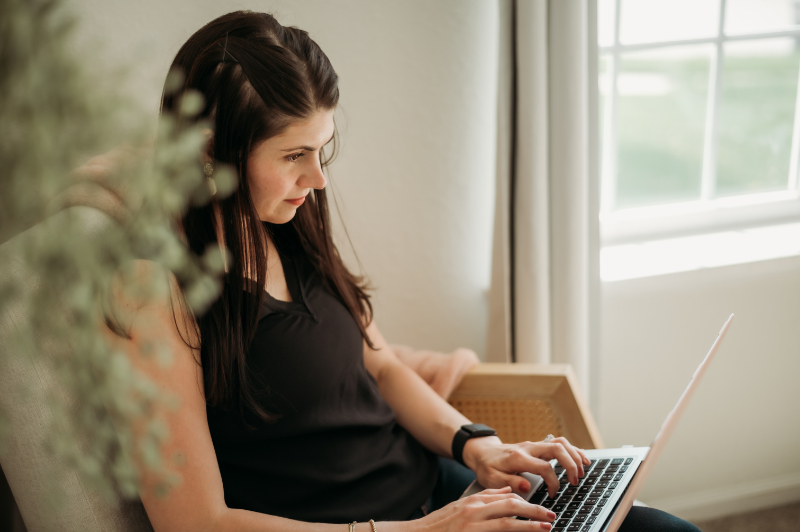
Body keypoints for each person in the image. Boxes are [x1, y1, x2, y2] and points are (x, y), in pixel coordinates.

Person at [105, 11, 700, 532]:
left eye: (321, 149)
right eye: (293, 156)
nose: (318, 181)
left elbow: (383, 366)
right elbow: (196, 522)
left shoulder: (284, 220)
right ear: (210, 153)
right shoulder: (154, 290)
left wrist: (479, 446)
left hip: (442, 492)